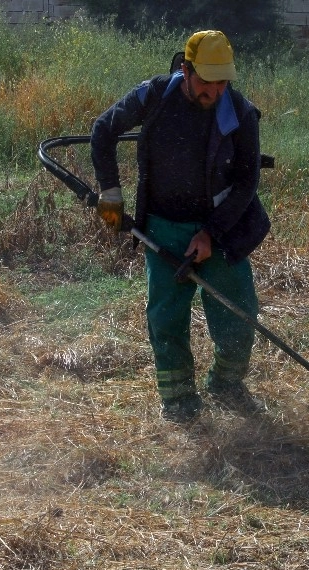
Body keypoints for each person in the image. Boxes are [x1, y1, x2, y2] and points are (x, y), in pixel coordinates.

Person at [90, 29, 271, 423]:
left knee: (240, 316)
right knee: (166, 320)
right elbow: (103, 130)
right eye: (206, 81)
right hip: (162, 227)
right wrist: (111, 194)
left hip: (221, 230)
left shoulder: (239, 113)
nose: (215, 91)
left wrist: (212, 233)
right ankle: (179, 401)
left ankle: (226, 383)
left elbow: (247, 182)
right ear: (186, 70)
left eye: (223, 82)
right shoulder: (154, 96)